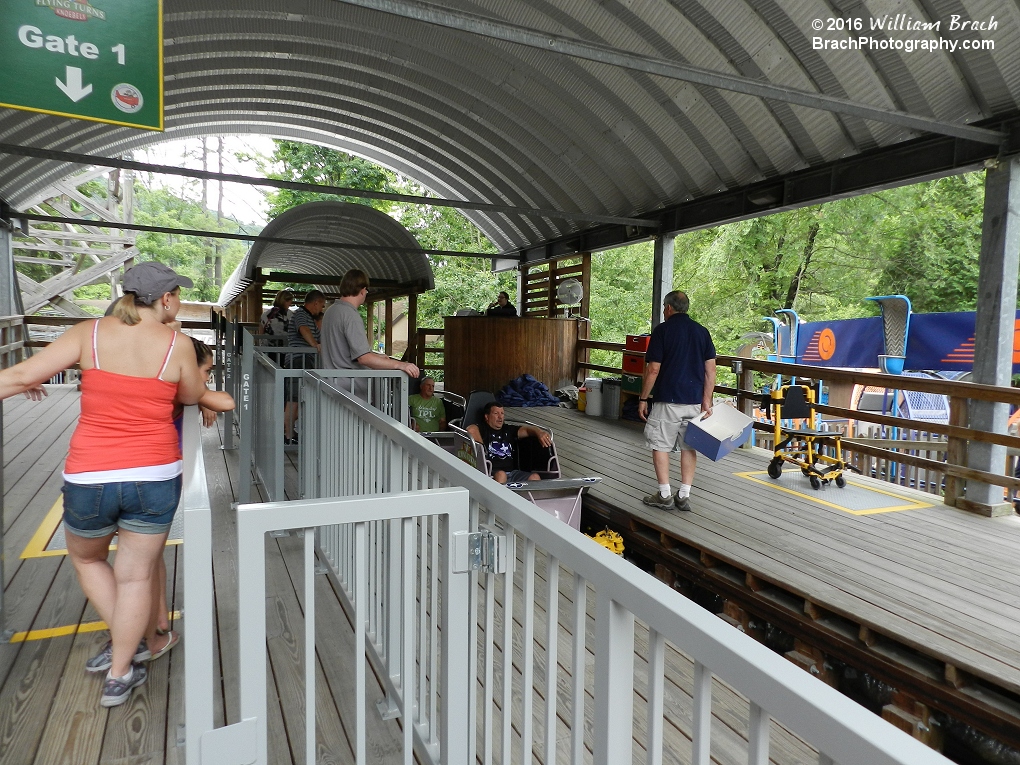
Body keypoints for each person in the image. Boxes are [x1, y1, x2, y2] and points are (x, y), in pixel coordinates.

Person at [0, 262, 209, 707]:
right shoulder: (178, 344)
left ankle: (126, 646)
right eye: (178, 294)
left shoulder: (89, 332)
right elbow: (191, 395)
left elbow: (19, 376)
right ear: (167, 298)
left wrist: (24, 383)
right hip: (154, 474)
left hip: (90, 475)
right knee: (136, 578)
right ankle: (120, 672)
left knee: (89, 560)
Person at [637, 290, 716, 513]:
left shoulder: (662, 331)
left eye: (664, 306)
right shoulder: (702, 332)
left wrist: (643, 398)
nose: (663, 310)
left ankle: (664, 494)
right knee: (689, 446)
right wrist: (706, 402)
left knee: (659, 444)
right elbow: (711, 370)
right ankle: (684, 495)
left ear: (669, 308)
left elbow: (653, 369)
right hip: (694, 401)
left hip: (667, 400)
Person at [319, 269, 419, 400]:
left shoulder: (330, 311)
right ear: (362, 290)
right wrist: (400, 365)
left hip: (331, 385)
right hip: (350, 392)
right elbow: (363, 358)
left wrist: (378, 357)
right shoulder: (350, 315)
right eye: (366, 290)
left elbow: (344, 351)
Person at [466, 401, 552, 484]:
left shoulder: (508, 429)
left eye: (502, 413)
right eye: (496, 413)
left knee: (535, 477)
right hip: (491, 473)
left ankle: (530, 499)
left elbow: (527, 430)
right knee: (501, 475)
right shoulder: (483, 429)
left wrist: (539, 432)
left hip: (512, 472)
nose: (500, 417)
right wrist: (481, 449)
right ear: (487, 417)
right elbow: (471, 429)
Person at [284, 290, 325, 444]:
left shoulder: (308, 317)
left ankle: (289, 432)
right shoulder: (301, 314)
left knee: (298, 398)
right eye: (321, 305)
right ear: (315, 303)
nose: (321, 309)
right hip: (298, 360)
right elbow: (303, 329)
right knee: (293, 399)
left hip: (304, 360)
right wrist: (315, 345)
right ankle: (287, 435)